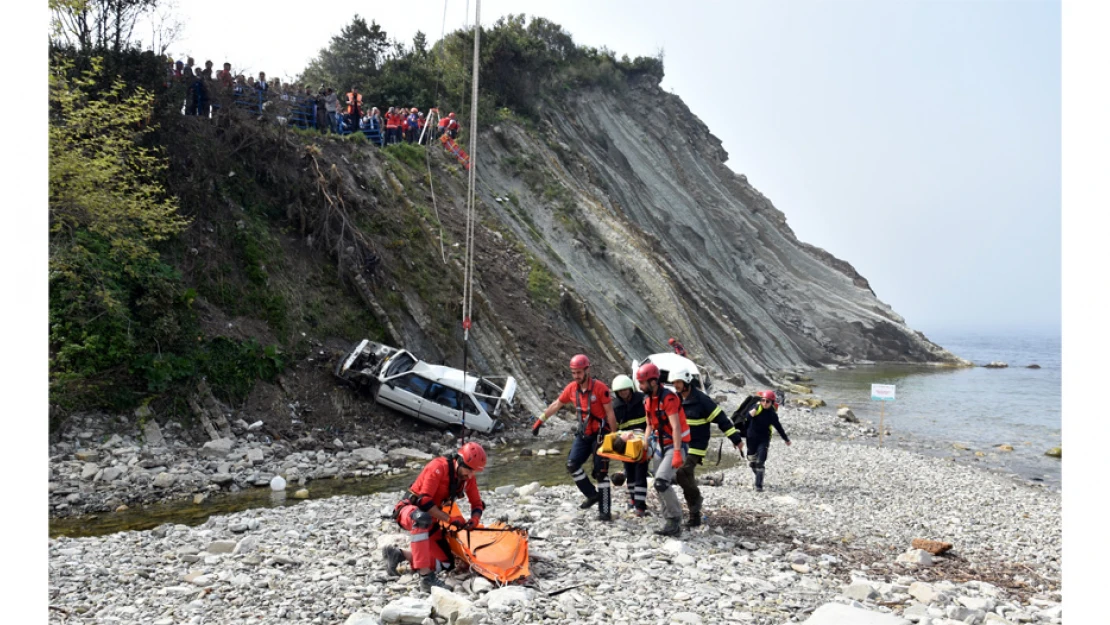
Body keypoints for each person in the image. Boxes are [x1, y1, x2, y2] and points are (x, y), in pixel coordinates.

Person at [384, 442, 488, 591]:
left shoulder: (467, 479)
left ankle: (398, 554)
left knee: (446, 563)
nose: (470, 475)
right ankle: (426, 578)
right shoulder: (438, 467)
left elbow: (477, 504)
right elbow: (424, 501)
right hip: (409, 511)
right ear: (459, 461)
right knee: (422, 518)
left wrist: (474, 520)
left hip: (432, 520)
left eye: (474, 472)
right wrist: (451, 520)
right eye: (469, 470)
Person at [532, 354, 618, 521]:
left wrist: (613, 438)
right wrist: (540, 421)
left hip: (601, 434)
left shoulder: (601, 389)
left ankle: (605, 511)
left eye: (579, 372)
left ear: (587, 370)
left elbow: (610, 413)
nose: (576, 376)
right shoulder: (571, 388)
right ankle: (592, 495)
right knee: (572, 464)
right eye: (573, 373)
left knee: (601, 472)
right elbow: (556, 404)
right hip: (584, 433)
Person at [670, 365, 743, 527]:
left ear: (687, 381)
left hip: (697, 445)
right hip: (681, 444)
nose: (675, 385)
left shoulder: (702, 401)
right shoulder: (674, 399)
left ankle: (696, 501)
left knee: (682, 473)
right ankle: (694, 515)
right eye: (674, 382)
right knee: (686, 477)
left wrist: (736, 439)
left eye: (678, 382)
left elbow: (721, 419)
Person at [636, 361, 690, 536]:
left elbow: (676, 427)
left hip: (676, 445)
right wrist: (645, 446)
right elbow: (649, 426)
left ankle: (675, 520)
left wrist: (676, 452)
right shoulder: (647, 400)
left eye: (642, 382)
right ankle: (669, 519)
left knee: (661, 482)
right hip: (660, 445)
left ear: (653, 382)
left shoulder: (669, 398)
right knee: (658, 484)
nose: (640, 385)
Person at [610, 374, 649, 517]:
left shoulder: (643, 400)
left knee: (641, 474)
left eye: (625, 390)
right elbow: (615, 429)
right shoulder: (616, 407)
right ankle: (633, 499)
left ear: (631, 388)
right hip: (626, 444)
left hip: (643, 442)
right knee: (630, 473)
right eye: (621, 391)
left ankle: (640, 506)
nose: (624, 393)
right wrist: (622, 436)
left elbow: (650, 422)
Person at [745, 390, 791, 492]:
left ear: (772, 402)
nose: (765, 403)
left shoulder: (772, 414)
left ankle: (758, 486)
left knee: (760, 462)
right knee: (752, 463)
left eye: (767, 401)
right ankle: (759, 474)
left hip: (764, 439)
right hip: (751, 438)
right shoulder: (755, 408)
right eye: (763, 400)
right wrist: (750, 415)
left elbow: (778, 427)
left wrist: (786, 439)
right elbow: (746, 419)